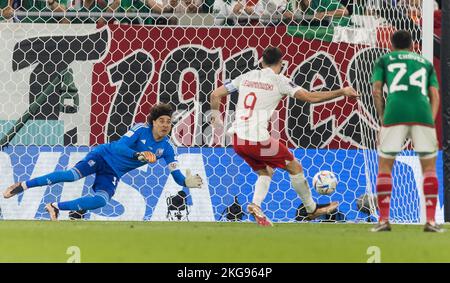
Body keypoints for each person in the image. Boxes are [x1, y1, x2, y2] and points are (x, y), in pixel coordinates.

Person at [209, 46, 359, 226]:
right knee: (295, 167)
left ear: (262, 62)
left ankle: (255, 205)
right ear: (280, 63)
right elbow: (310, 97)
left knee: (266, 171)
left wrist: (216, 118)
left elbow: (215, 94)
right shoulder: (280, 81)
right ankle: (312, 210)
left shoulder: (246, 76)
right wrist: (341, 92)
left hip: (237, 140)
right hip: (257, 140)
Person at [3, 103, 204, 220]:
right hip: (103, 156)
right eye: (162, 121)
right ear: (153, 122)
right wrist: (138, 156)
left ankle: (55, 206)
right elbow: (118, 146)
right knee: (71, 176)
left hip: (113, 172)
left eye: (168, 122)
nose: (166, 125)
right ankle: (23, 185)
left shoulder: (167, 149)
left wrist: (186, 183)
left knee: (102, 200)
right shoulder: (141, 129)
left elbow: (176, 175)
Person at [371, 30, 442, 232]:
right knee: (429, 169)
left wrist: (383, 117)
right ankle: (430, 221)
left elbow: (376, 90)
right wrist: (430, 118)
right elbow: (434, 95)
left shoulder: (384, 59)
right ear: (412, 45)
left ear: (391, 44)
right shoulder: (425, 62)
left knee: (385, 166)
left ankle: (384, 220)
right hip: (423, 115)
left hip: (394, 114)